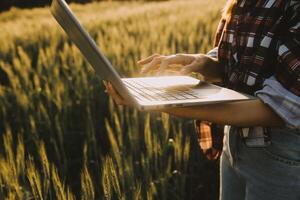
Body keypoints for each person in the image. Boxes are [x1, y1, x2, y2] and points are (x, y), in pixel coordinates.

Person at [104, 0, 300, 199]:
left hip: (281, 157)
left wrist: (162, 102)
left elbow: (277, 110)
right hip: (232, 144)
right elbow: (236, 64)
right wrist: (202, 62)